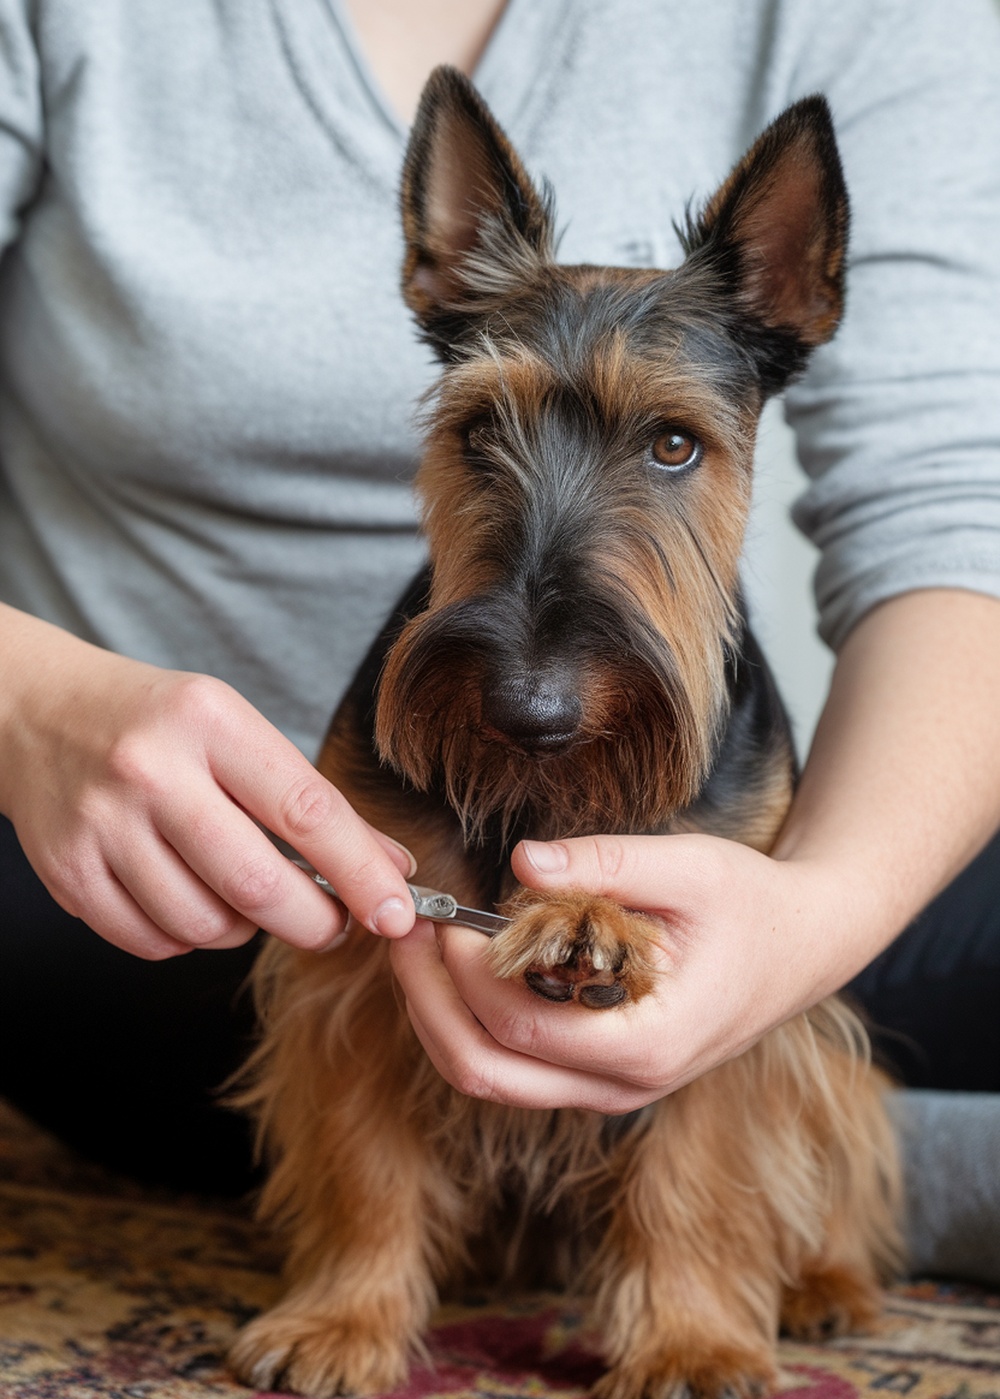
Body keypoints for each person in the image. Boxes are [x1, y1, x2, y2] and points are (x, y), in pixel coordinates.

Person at [1, 0, 999, 1275]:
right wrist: (28, 704)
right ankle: (869, 1182)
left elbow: (955, 510)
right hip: (202, 888)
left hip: (738, 858)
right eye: (485, 433)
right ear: (437, 273)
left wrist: (814, 924)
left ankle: (822, 1170)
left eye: (673, 443)